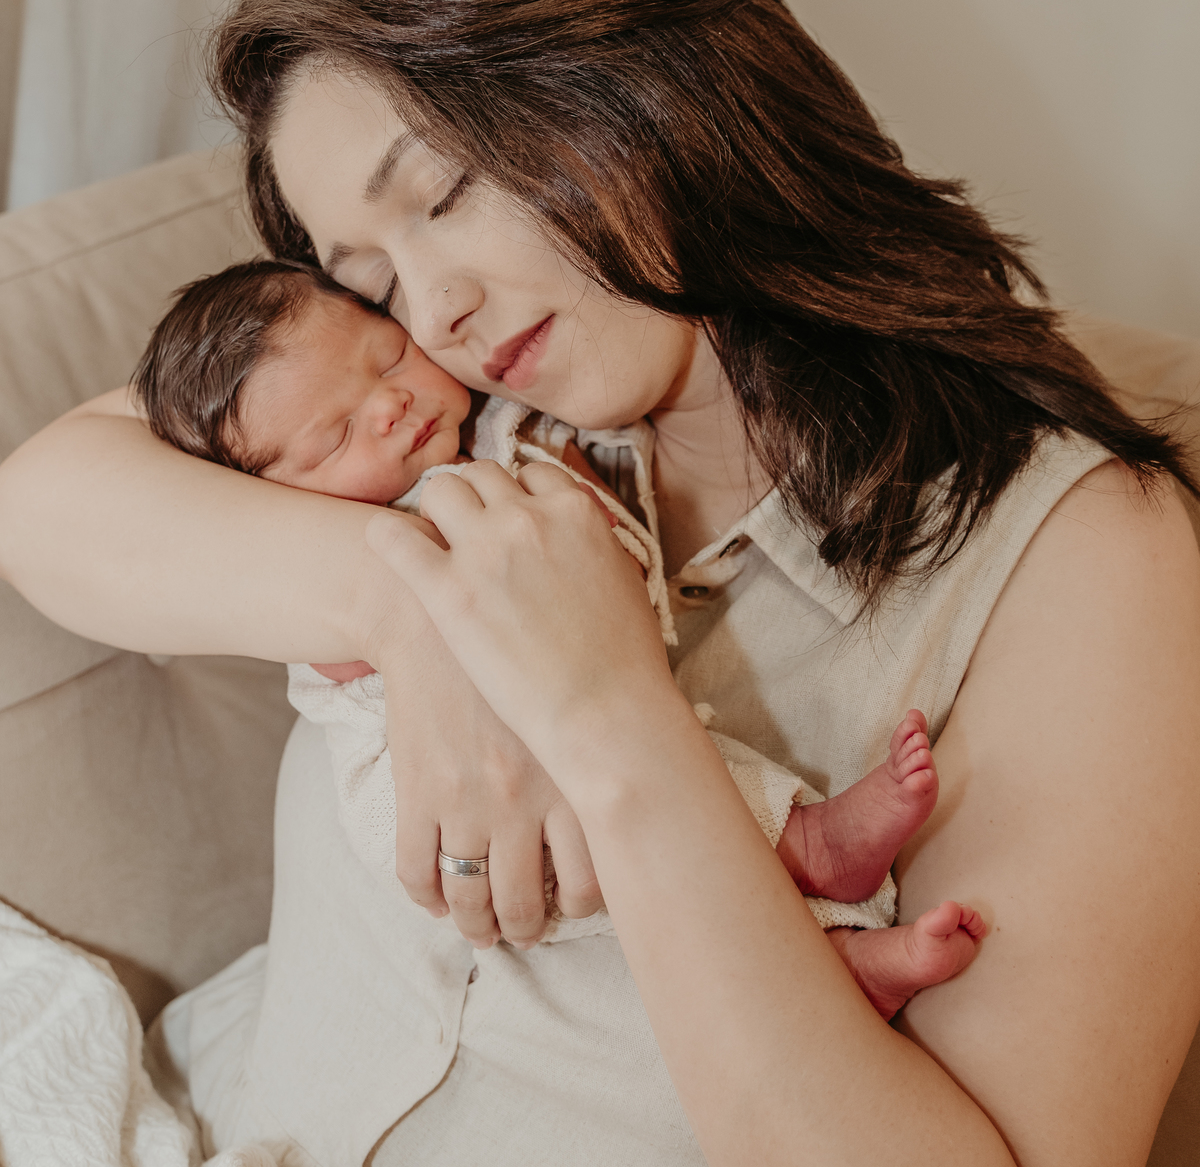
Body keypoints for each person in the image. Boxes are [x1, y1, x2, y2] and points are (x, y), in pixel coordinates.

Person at [2, 0, 1199, 1167]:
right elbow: (50, 500)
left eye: (443, 196)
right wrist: (415, 608)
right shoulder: (441, 415)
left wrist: (609, 723)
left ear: (646, 88)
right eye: (368, 275)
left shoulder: (1083, 554)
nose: (429, 311)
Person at [132, 255, 984, 1020]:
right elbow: (355, 641)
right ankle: (813, 865)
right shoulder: (348, 535)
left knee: (661, 771)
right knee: (594, 851)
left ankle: (832, 936)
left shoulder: (499, 428)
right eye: (336, 435)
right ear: (272, 496)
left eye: (387, 359)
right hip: (417, 790)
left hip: (582, 712)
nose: (389, 405)